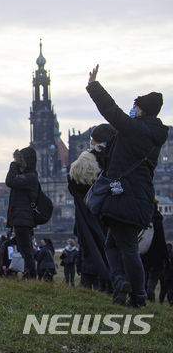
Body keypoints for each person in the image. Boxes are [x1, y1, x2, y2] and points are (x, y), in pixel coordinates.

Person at [87, 65, 168, 307]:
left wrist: (93, 86)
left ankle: (137, 296)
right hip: (141, 196)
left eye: (136, 107)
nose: (132, 110)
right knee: (113, 244)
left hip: (124, 197)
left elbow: (111, 111)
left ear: (143, 111)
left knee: (127, 249)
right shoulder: (155, 136)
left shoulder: (135, 130)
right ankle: (122, 283)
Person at [67, 124, 116, 292]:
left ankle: (91, 287)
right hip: (112, 216)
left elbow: (73, 187)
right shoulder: (116, 160)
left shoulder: (84, 163)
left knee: (90, 253)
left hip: (87, 217)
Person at [5, 147, 39, 279]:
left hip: (23, 218)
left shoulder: (29, 177)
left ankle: (31, 276)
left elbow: (9, 181)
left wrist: (13, 165)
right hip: (22, 217)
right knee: (25, 248)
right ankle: (29, 274)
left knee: (26, 250)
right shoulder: (29, 176)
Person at [141, 200, 170, 302]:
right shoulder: (157, 221)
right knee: (151, 285)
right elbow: (162, 242)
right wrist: (166, 260)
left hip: (142, 256)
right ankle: (151, 302)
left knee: (143, 283)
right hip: (156, 259)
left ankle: (143, 301)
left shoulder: (142, 219)